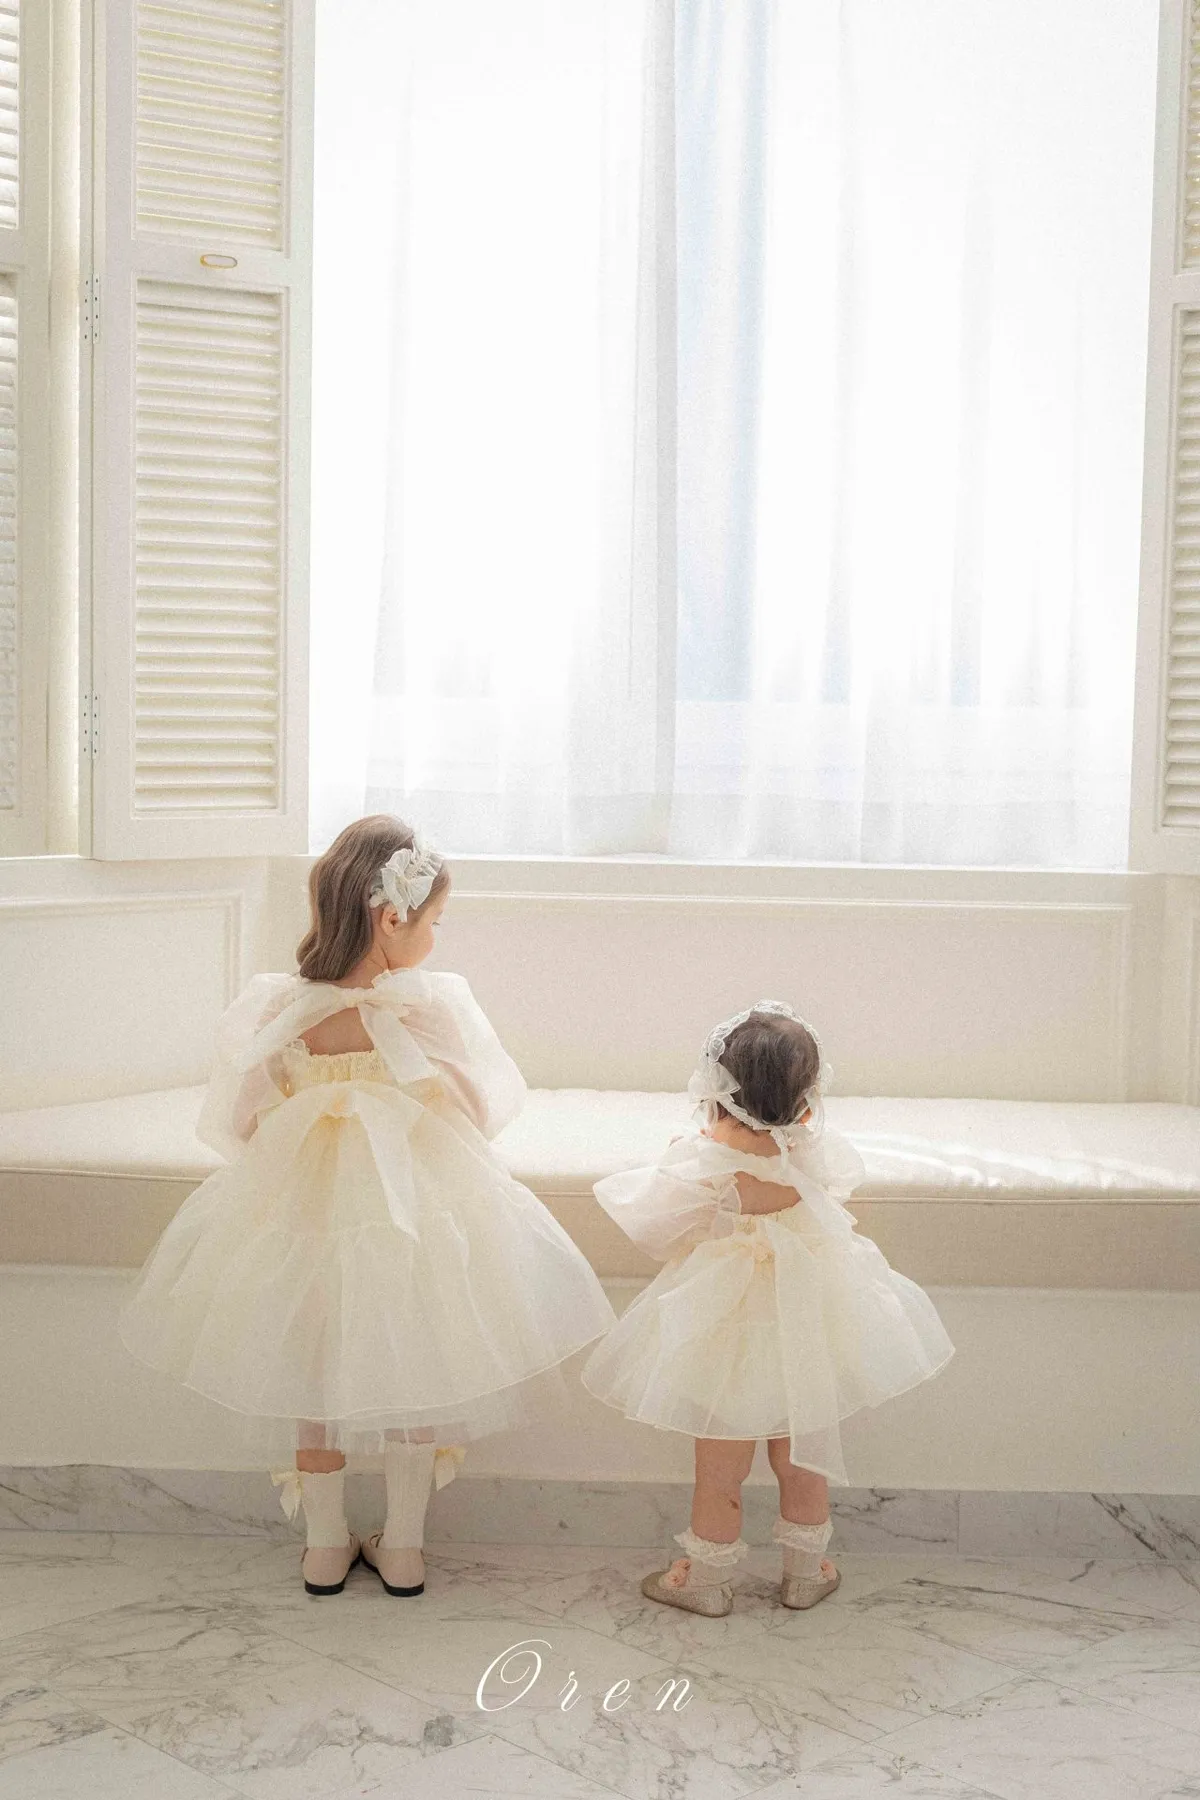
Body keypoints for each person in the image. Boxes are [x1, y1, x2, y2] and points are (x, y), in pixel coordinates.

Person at [120, 815, 615, 1597]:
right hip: (411, 1205)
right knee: (415, 1359)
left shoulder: (283, 1008)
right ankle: (404, 1546)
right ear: (391, 918)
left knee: (313, 1369)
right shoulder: (424, 1007)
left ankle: (325, 1545)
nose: (437, 939)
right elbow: (476, 1109)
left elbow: (243, 1120)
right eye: (435, 921)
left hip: (302, 1204)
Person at [581, 1001, 954, 1618]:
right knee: (802, 1457)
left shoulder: (702, 1161)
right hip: (807, 1320)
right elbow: (832, 1195)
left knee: (719, 1468)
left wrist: (692, 1159)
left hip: (722, 1325)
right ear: (806, 1104)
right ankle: (805, 1573)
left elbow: (660, 1231)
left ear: (715, 1096)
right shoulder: (813, 1152)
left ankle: (707, 1579)